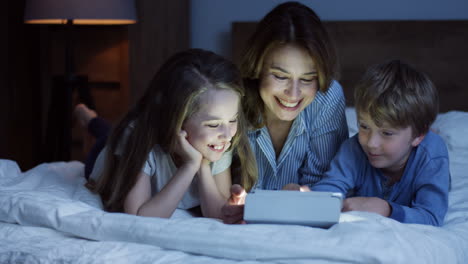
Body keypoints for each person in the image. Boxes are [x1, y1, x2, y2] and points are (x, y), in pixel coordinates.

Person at [86, 49, 257, 219]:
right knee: (106, 136)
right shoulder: (138, 139)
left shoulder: (217, 141)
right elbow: (139, 217)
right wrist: (189, 166)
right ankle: (88, 117)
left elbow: (217, 212)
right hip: (110, 154)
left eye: (233, 120)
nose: (227, 134)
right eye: (213, 124)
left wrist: (203, 166)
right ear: (175, 120)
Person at [223, 1, 348, 223]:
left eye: (308, 79)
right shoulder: (230, 98)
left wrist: (303, 194)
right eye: (280, 76)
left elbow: (324, 185)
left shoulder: (328, 97)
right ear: (258, 68)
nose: (293, 93)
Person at [311, 60, 450, 226]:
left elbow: (432, 217)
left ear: (418, 136)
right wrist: (312, 198)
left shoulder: (432, 157)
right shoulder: (353, 149)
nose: (371, 143)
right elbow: (328, 190)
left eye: (387, 133)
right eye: (364, 126)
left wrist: (387, 209)